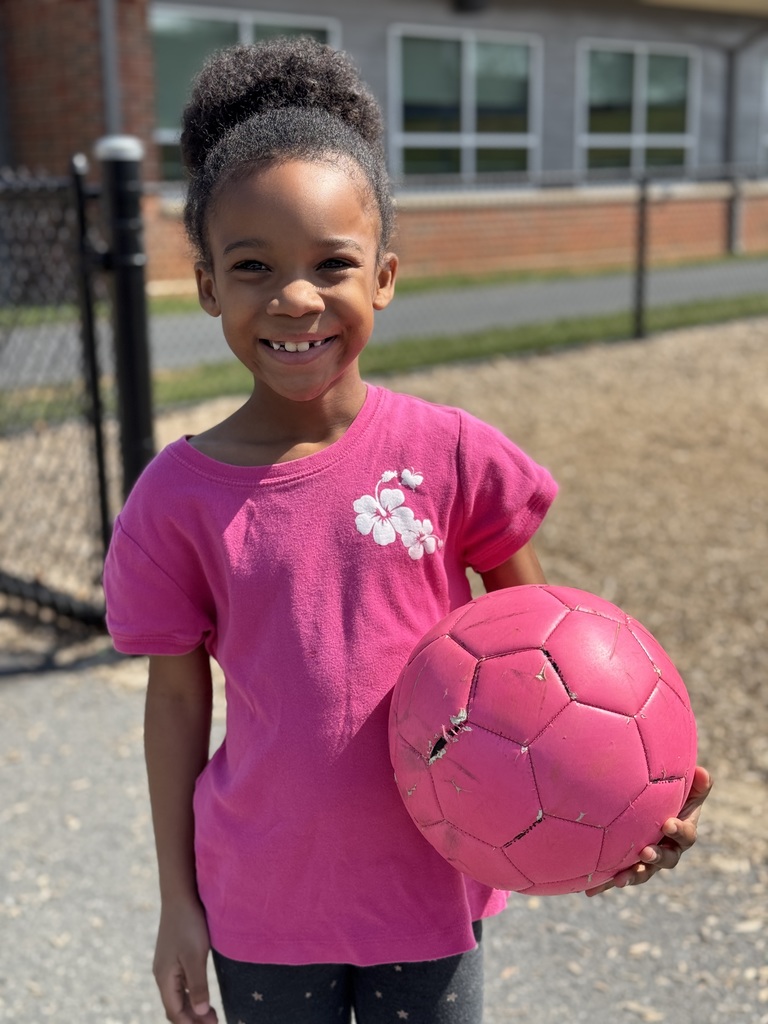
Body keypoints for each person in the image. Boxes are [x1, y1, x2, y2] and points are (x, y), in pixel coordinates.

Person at [102, 37, 712, 1024]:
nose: (296, 298)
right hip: (261, 902)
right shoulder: (175, 500)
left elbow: (550, 674)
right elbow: (175, 704)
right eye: (252, 266)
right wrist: (178, 903)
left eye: (331, 264)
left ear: (383, 276)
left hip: (430, 893)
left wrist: (625, 804)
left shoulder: (453, 454)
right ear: (209, 284)